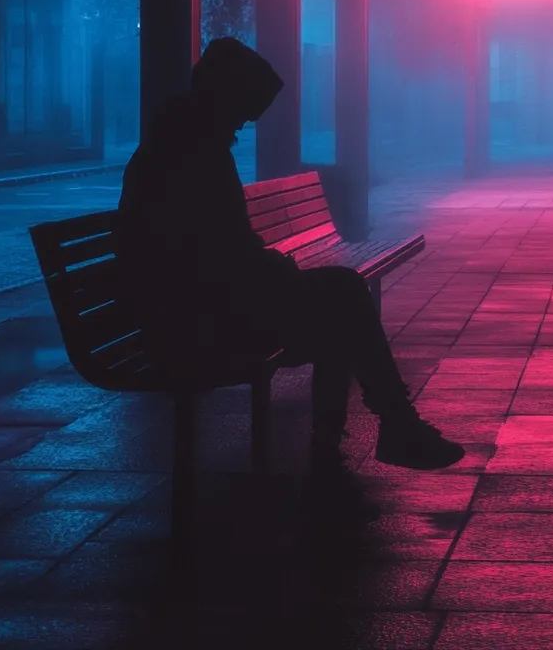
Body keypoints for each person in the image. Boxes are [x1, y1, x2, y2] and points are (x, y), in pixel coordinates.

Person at [115, 37, 464, 509]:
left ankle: (376, 430)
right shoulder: (194, 151)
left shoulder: (182, 140)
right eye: (242, 115)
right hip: (194, 320)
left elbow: (217, 248)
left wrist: (267, 268)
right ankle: (390, 426)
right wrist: (274, 269)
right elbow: (217, 253)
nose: (240, 129)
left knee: (341, 301)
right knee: (343, 296)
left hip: (196, 303)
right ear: (225, 98)